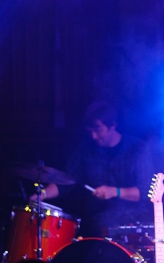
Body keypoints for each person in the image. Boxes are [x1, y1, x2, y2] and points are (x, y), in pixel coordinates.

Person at [30, 101, 154, 237]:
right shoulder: (86, 150)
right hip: (95, 219)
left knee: (103, 223)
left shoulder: (138, 148)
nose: (94, 136)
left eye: (98, 130)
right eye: (90, 131)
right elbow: (65, 181)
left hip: (133, 219)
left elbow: (145, 192)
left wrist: (115, 192)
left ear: (112, 125)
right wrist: (42, 195)